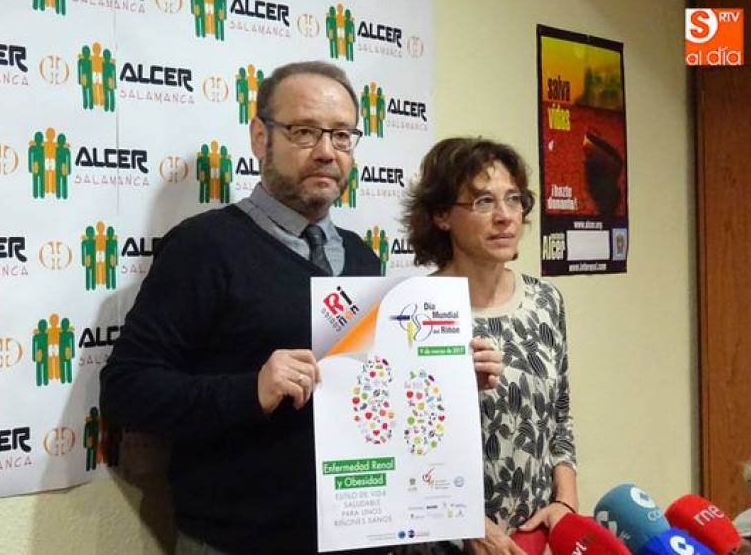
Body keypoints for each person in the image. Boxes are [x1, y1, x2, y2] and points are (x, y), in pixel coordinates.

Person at [100, 62, 502, 555]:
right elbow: (126, 389)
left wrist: (447, 379)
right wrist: (251, 390)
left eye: (342, 136)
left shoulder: (360, 257)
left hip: (359, 537)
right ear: (259, 137)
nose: (326, 152)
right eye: (305, 132)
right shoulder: (204, 247)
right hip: (239, 542)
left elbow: (372, 394)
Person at [403, 137, 577, 555]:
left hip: (533, 540)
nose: (504, 217)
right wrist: (463, 521)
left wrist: (564, 504)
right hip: (445, 542)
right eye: (483, 202)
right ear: (442, 215)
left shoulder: (545, 301)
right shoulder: (412, 310)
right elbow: (402, 444)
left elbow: (560, 416)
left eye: (513, 200)